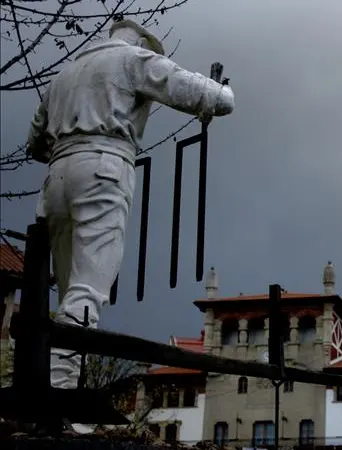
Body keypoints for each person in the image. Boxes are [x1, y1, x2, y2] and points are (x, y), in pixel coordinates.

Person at [26, 19, 235, 391]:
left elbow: (35, 144)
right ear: (144, 41)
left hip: (56, 177)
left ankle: (45, 382)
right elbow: (212, 98)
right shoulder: (134, 60)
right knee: (88, 287)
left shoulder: (65, 73)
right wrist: (220, 92)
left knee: (67, 288)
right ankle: (58, 392)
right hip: (104, 168)